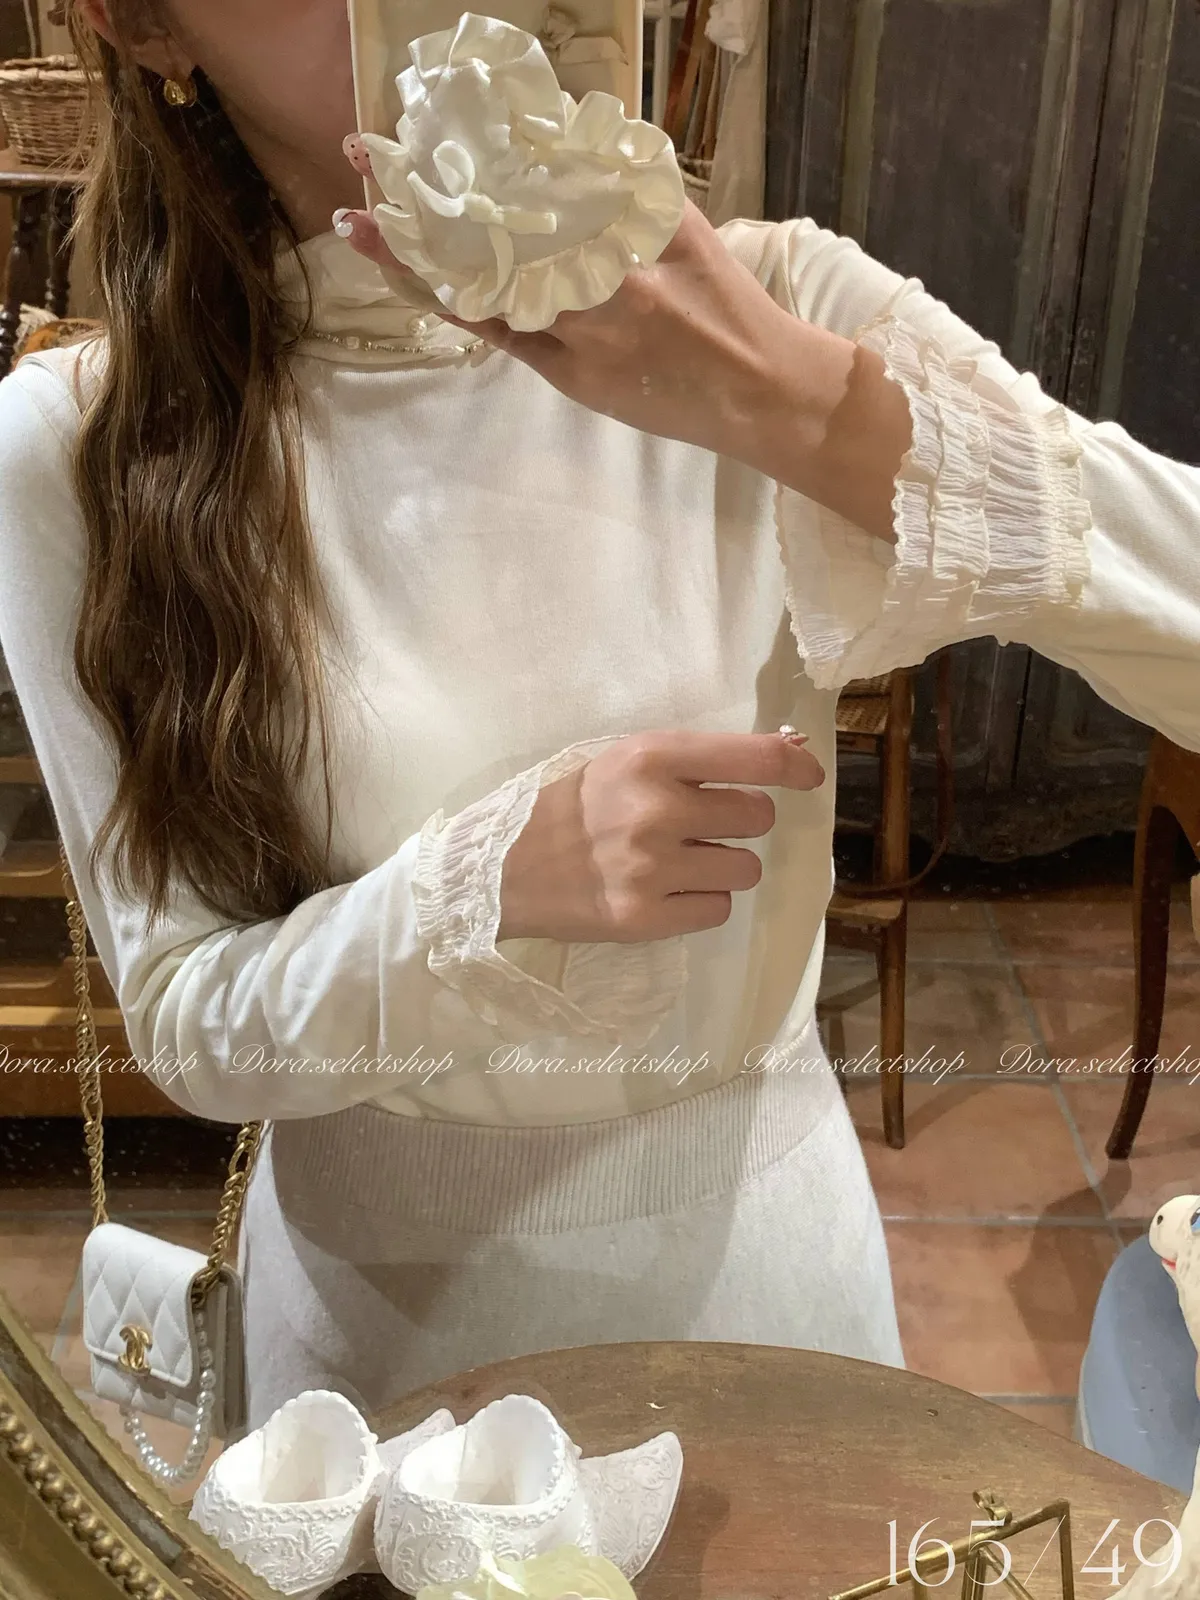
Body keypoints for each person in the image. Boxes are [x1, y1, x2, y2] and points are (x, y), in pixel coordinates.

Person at [0, 0, 1198, 1430]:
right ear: (143, 24)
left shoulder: (776, 308)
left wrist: (801, 407)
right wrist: (480, 895)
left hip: (767, 1299)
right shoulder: (79, 448)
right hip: (376, 1369)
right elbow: (186, 1021)